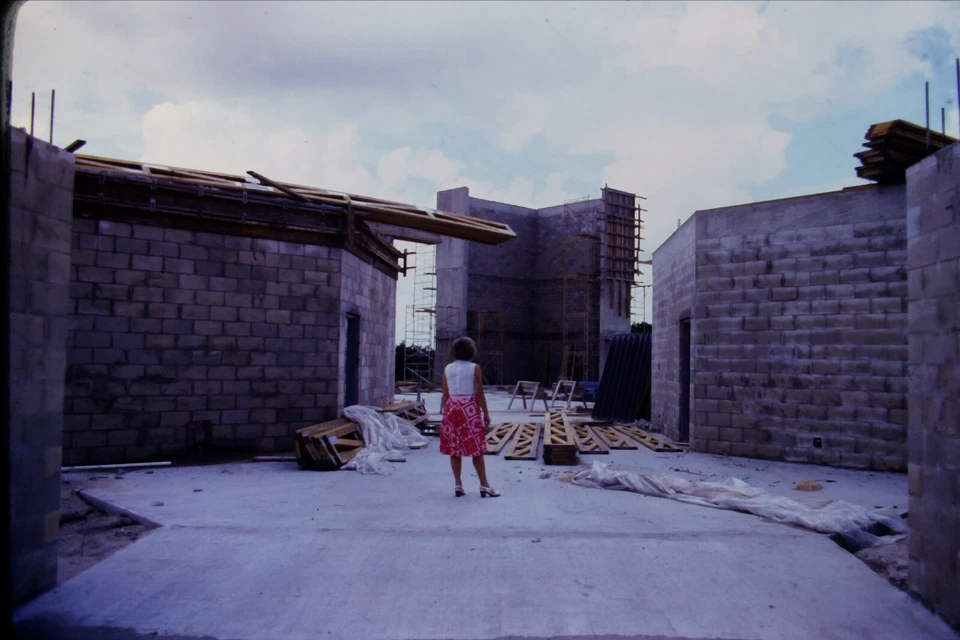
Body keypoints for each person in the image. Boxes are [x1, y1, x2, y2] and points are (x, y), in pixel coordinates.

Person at [440, 337, 501, 498]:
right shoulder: (475, 368)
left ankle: (458, 485)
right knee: (476, 449)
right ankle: (484, 485)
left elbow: (445, 393)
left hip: (452, 407)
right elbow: (479, 392)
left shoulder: (448, 368)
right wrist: (486, 412)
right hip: (469, 409)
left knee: (454, 449)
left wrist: (447, 413)